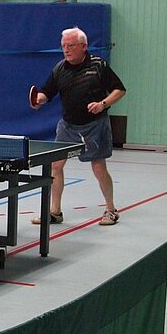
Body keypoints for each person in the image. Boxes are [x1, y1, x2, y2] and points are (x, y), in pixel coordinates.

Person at [30, 27, 126, 226]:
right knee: (56, 166)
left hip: (94, 125)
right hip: (68, 126)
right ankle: (55, 212)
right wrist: (38, 99)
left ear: (83, 46)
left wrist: (103, 104)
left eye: (70, 45)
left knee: (98, 167)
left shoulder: (99, 65)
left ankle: (111, 210)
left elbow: (119, 90)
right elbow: (47, 92)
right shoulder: (60, 68)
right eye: (63, 46)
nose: (66, 49)